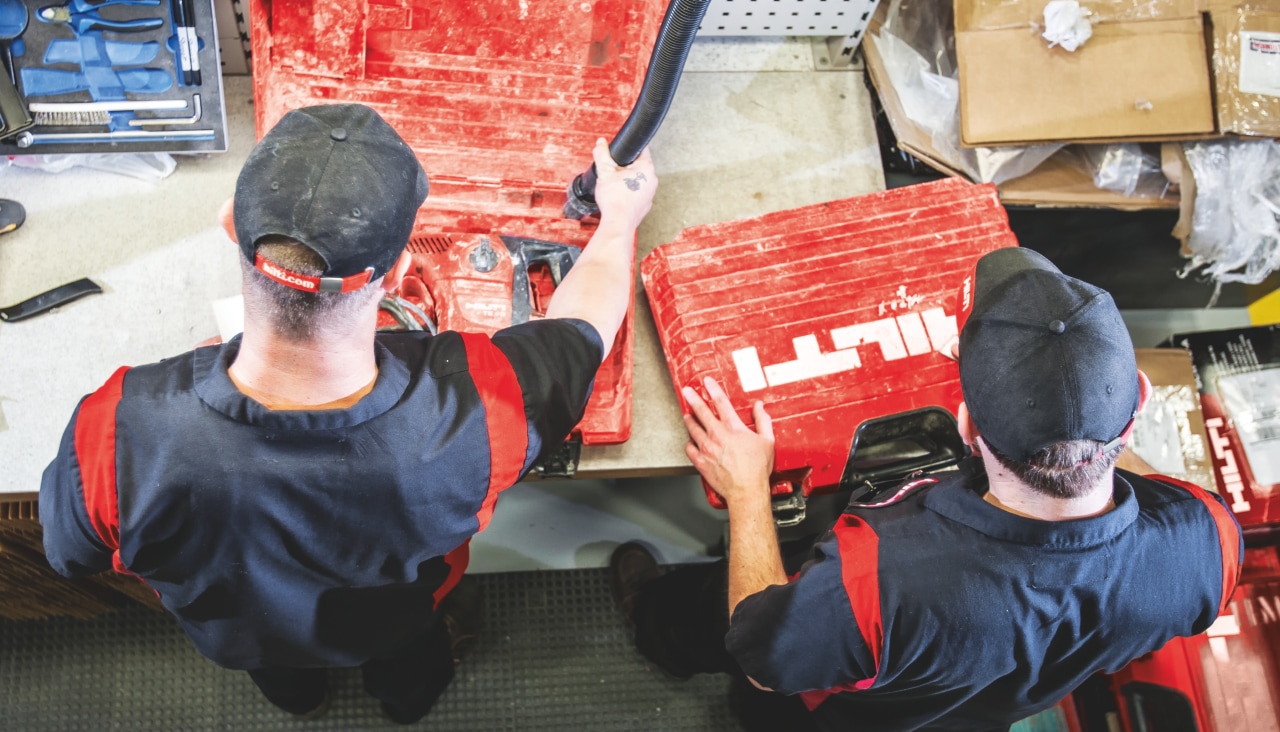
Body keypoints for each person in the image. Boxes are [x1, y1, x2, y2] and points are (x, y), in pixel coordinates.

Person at [40, 103, 657, 724]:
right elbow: (584, 331)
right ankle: (405, 708)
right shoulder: (484, 410)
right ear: (397, 273)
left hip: (243, 636)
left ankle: (301, 703)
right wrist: (619, 221)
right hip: (397, 622)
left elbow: (71, 556)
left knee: (278, 675)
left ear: (230, 225)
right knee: (409, 668)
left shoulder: (112, 431)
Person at [611, 247, 1242, 732]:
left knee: (722, 636)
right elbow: (1121, 477)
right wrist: (1066, 412)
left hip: (835, 709)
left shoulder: (877, 580)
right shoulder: (1210, 547)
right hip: (972, 708)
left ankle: (655, 627)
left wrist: (748, 491)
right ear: (1138, 404)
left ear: (965, 426)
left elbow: (765, 663)